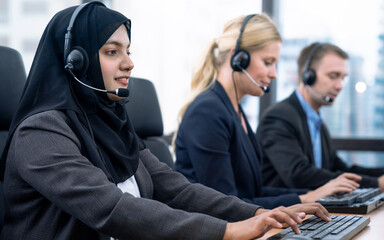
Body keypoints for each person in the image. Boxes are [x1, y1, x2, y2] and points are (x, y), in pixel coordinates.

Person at [0, 3, 331, 240]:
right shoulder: (40, 132)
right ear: (75, 62)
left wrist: (254, 214)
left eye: (128, 51)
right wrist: (227, 231)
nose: (129, 63)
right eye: (112, 51)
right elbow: (111, 209)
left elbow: (174, 188)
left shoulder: (111, 123)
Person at [174, 14, 358, 210]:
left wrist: (309, 196)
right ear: (238, 58)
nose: (274, 74)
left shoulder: (234, 111)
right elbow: (225, 205)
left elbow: (254, 192)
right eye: (268, 62)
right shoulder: (208, 112)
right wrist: (304, 200)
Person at [256, 42, 384, 191]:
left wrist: (379, 176)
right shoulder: (279, 117)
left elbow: (339, 169)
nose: (340, 86)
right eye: (333, 76)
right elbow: (299, 175)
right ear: (307, 75)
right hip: (286, 210)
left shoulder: (317, 123)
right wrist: (375, 184)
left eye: (342, 78)